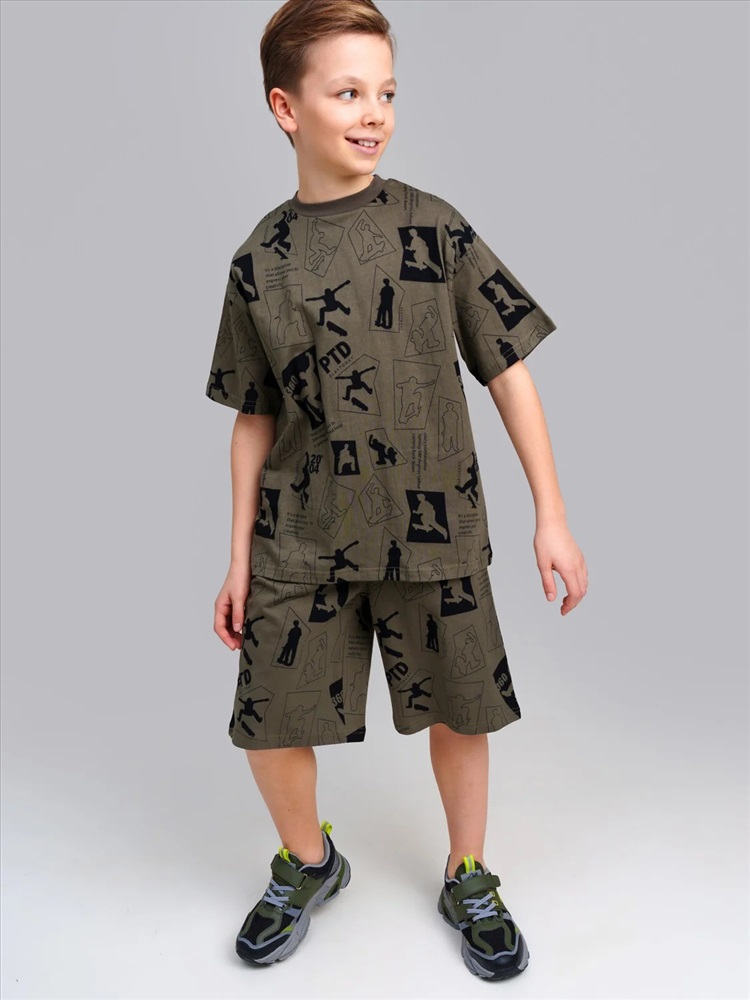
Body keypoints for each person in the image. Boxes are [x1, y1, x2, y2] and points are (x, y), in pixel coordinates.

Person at [204, 0, 588, 980]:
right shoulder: (258, 261)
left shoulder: (435, 227)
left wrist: (551, 514)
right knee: (270, 718)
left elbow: (508, 370)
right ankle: (309, 861)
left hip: (434, 525)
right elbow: (252, 414)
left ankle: (469, 872)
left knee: (461, 710)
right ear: (286, 108)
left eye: (385, 92)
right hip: (303, 532)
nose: (373, 112)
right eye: (347, 93)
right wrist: (239, 558)